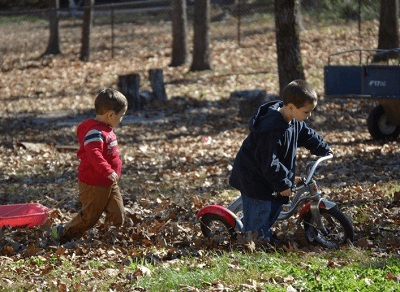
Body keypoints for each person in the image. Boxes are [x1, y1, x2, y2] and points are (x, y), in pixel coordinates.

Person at [229, 80, 332, 242]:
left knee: (275, 205)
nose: (309, 115)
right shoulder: (270, 129)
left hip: (269, 177)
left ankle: (263, 231)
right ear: (291, 107)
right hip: (254, 178)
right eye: (306, 112)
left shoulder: (293, 120)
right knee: (260, 210)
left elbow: (306, 134)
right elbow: (268, 160)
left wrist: (322, 147)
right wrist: (282, 183)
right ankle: (257, 239)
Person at [53, 89, 128, 242]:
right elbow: (94, 155)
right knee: (89, 217)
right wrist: (107, 170)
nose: (122, 119)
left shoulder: (106, 129)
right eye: (121, 115)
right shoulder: (95, 132)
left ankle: (109, 238)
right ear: (111, 115)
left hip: (109, 181)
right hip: (93, 183)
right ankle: (64, 231)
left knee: (118, 213)